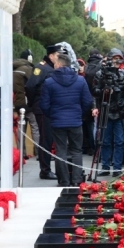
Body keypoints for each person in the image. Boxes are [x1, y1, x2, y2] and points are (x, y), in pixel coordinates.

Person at [39, 53, 93, 187]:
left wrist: (52, 115)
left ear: (58, 64)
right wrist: (80, 114)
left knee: (60, 150)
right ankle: (76, 180)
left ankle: (63, 180)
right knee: (76, 150)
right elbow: (87, 101)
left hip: (57, 121)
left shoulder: (49, 82)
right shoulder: (80, 80)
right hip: (75, 120)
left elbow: (44, 104)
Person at [92, 49, 124, 177]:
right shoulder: (100, 74)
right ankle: (104, 166)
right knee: (104, 140)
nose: (116, 61)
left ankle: (117, 167)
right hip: (105, 110)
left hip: (120, 112)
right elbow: (94, 93)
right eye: (114, 58)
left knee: (120, 141)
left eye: (118, 58)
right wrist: (95, 106)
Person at [25, 44, 64, 180]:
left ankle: (48, 167)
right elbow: (30, 86)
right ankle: (45, 170)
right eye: (58, 56)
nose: (59, 58)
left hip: (51, 108)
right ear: (51, 56)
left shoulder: (52, 67)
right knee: (45, 140)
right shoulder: (41, 68)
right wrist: (33, 103)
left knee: (49, 139)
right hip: (42, 109)